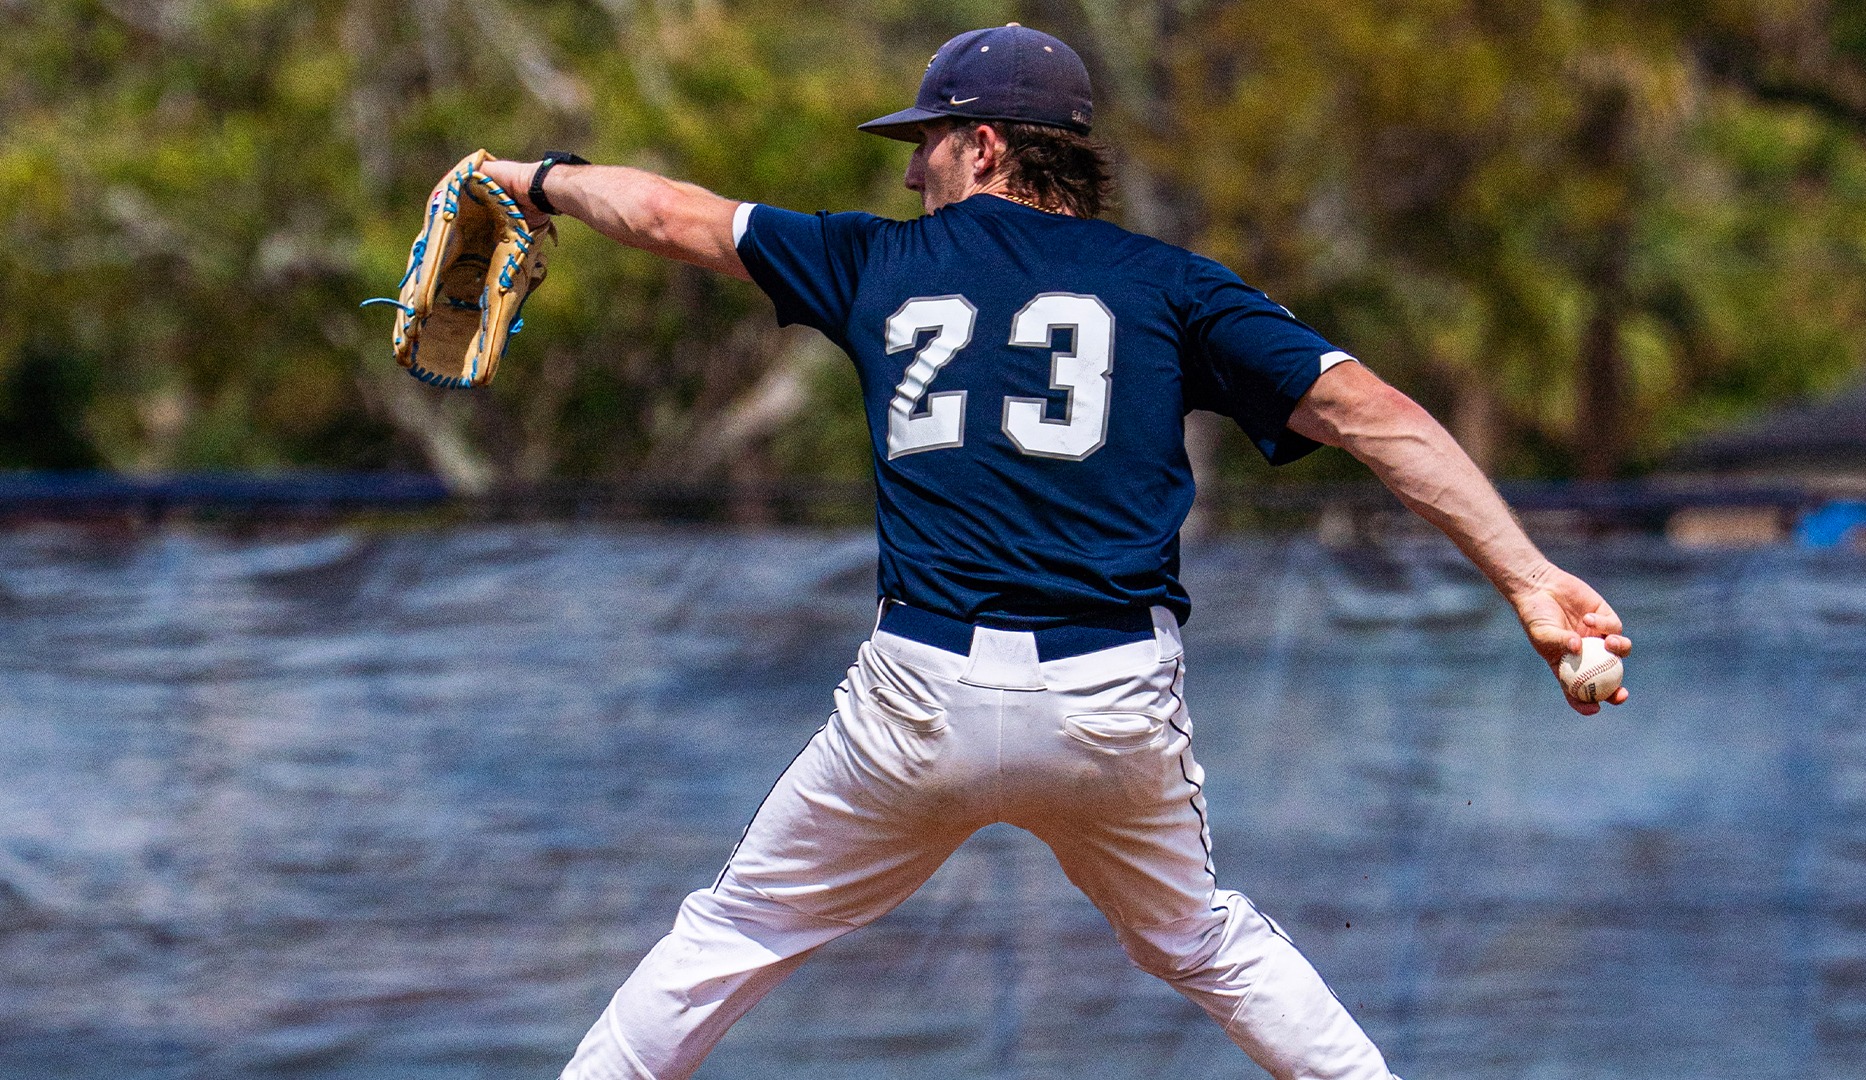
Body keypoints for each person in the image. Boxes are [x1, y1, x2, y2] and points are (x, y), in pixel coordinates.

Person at [486, 23, 1630, 1080]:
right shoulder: (1171, 285)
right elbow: (1375, 415)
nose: (910, 173)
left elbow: (669, 214)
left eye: (927, 142)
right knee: (1204, 939)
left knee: (736, 930)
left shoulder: (875, 260)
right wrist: (1530, 580)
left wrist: (533, 179)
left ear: (985, 145)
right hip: (1108, 700)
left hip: (917, 698)